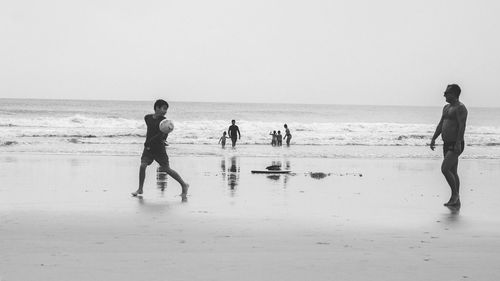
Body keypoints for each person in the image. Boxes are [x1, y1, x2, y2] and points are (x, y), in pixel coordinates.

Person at [132, 99, 189, 201]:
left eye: (166, 109)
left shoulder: (166, 123)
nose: (165, 111)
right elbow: (151, 127)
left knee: (167, 169)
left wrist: (151, 141)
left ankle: (184, 185)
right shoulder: (147, 118)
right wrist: (148, 143)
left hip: (159, 149)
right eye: (164, 108)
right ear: (157, 108)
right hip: (148, 148)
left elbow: (162, 136)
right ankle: (140, 189)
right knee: (142, 165)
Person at [430, 84, 468, 207]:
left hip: (456, 144)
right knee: (453, 171)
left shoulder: (460, 108)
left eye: (447, 92)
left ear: (454, 94)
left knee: (445, 169)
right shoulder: (446, 108)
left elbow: (462, 127)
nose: (444, 94)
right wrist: (434, 138)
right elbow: (441, 124)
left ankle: (455, 195)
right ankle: (457, 200)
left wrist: (458, 143)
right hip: (446, 143)